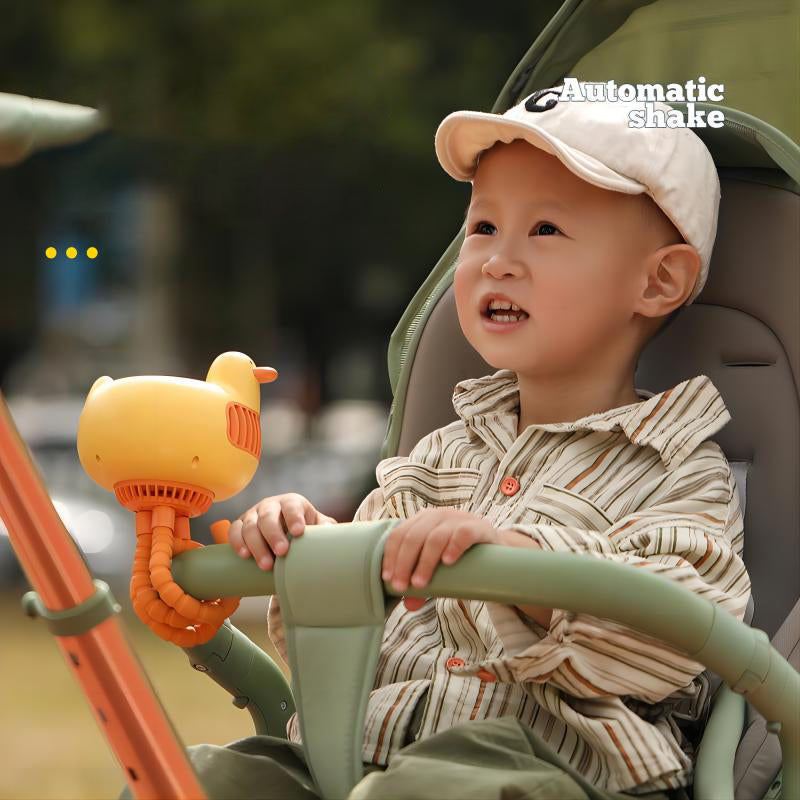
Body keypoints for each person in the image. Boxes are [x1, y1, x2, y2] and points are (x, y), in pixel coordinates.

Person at [172, 82, 752, 800]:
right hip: (361, 755)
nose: (498, 261)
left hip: (550, 769)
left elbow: (686, 634)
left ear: (658, 281)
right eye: (482, 228)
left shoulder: (677, 464)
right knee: (195, 780)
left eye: (545, 231)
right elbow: (343, 642)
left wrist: (521, 566)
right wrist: (306, 547)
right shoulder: (439, 457)